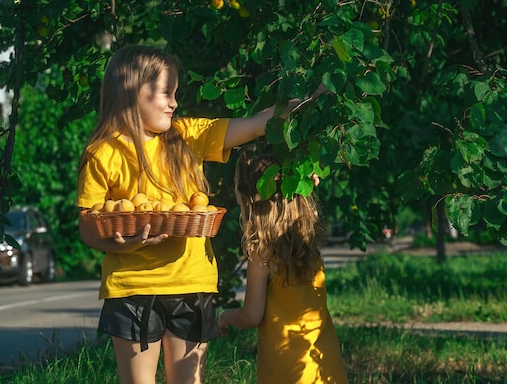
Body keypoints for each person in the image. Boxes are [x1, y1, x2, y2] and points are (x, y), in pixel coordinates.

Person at [76, 45, 309, 384]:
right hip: (133, 289)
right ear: (131, 93)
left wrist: (312, 99)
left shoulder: (188, 135)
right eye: (165, 93)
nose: (173, 102)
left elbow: (258, 124)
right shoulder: (102, 154)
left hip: (191, 284)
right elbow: (88, 228)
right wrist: (130, 246)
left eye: (175, 93)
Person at [218, 146, 350, 384]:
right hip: (324, 364)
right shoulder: (309, 248)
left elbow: (251, 316)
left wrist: (225, 317)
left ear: (250, 200)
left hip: (285, 371)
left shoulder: (262, 256)